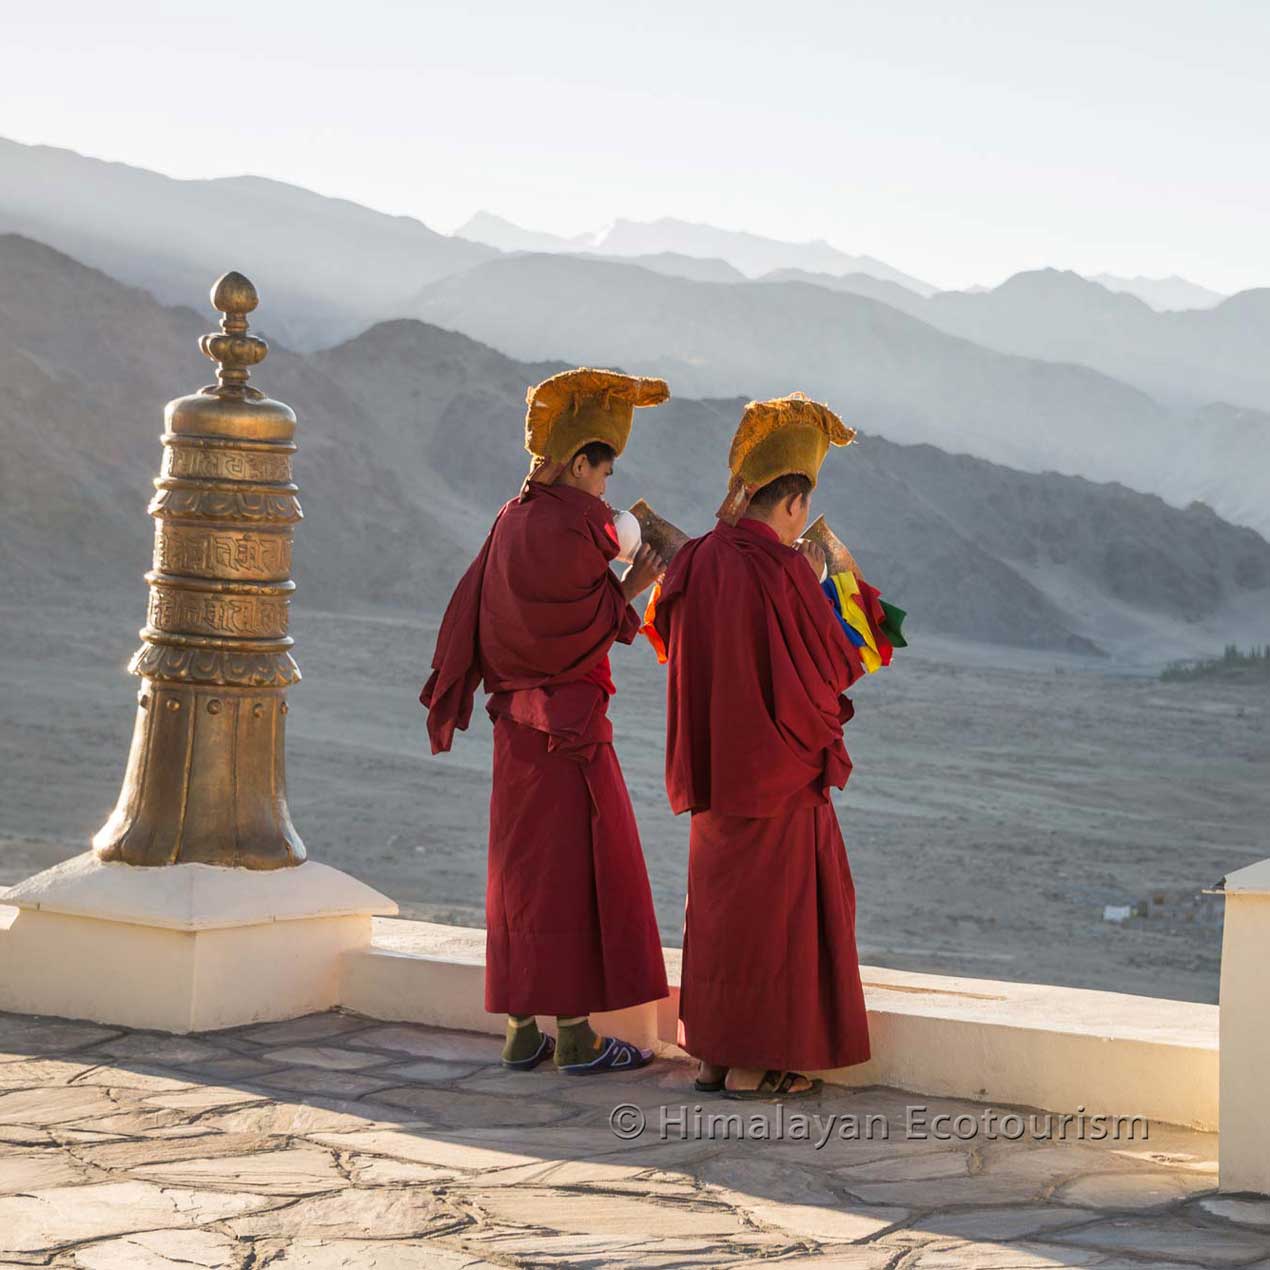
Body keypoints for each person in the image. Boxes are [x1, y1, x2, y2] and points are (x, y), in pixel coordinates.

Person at [421, 367, 671, 1075]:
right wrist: (635, 588)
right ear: (581, 461)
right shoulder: (576, 521)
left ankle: (520, 1030)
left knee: (520, 873)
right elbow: (586, 629)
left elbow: (501, 616)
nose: (606, 488)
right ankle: (578, 1036)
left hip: (515, 730)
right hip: (569, 731)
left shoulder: (511, 517)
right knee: (572, 871)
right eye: (603, 470)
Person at [646, 391, 872, 1099]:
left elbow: (666, 635)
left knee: (718, 917)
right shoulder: (784, 573)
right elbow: (837, 665)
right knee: (782, 922)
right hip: (781, 779)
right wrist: (826, 579)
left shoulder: (699, 560)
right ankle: (772, 1062)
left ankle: (713, 1057)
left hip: (714, 774)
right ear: (796, 504)